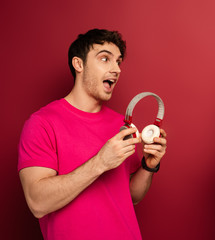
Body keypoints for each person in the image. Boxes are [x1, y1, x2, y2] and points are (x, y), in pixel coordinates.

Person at [18, 29, 167, 240]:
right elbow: (38, 203)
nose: (116, 69)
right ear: (78, 64)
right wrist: (100, 162)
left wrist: (149, 165)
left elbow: (131, 195)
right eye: (105, 59)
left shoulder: (121, 124)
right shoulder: (42, 123)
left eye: (118, 62)